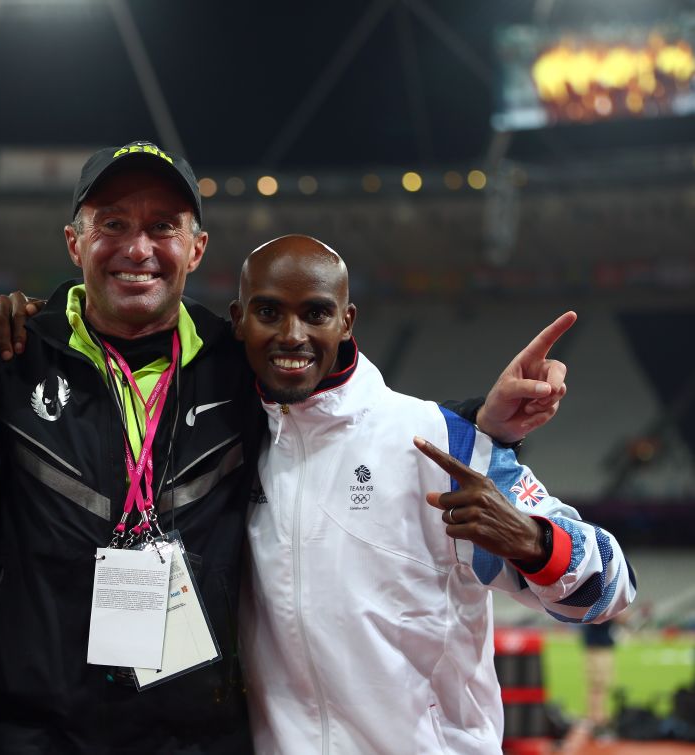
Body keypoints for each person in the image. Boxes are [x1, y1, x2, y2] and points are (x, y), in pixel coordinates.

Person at [0, 140, 569, 753]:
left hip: (190, 736)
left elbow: (347, 413)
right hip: (24, 735)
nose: (136, 246)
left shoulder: (242, 362)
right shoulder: (4, 353)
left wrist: (477, 419)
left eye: (161, 226)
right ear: (74, 242)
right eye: (111, 223)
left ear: (195, 247)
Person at [230, 234, 636, 754]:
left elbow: (613, 586)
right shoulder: (236, 444)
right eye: (269, 312)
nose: (292, 335)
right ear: (239, 319)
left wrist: (534, 542)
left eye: (315, 313)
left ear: (346, 321)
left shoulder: (441, 443)